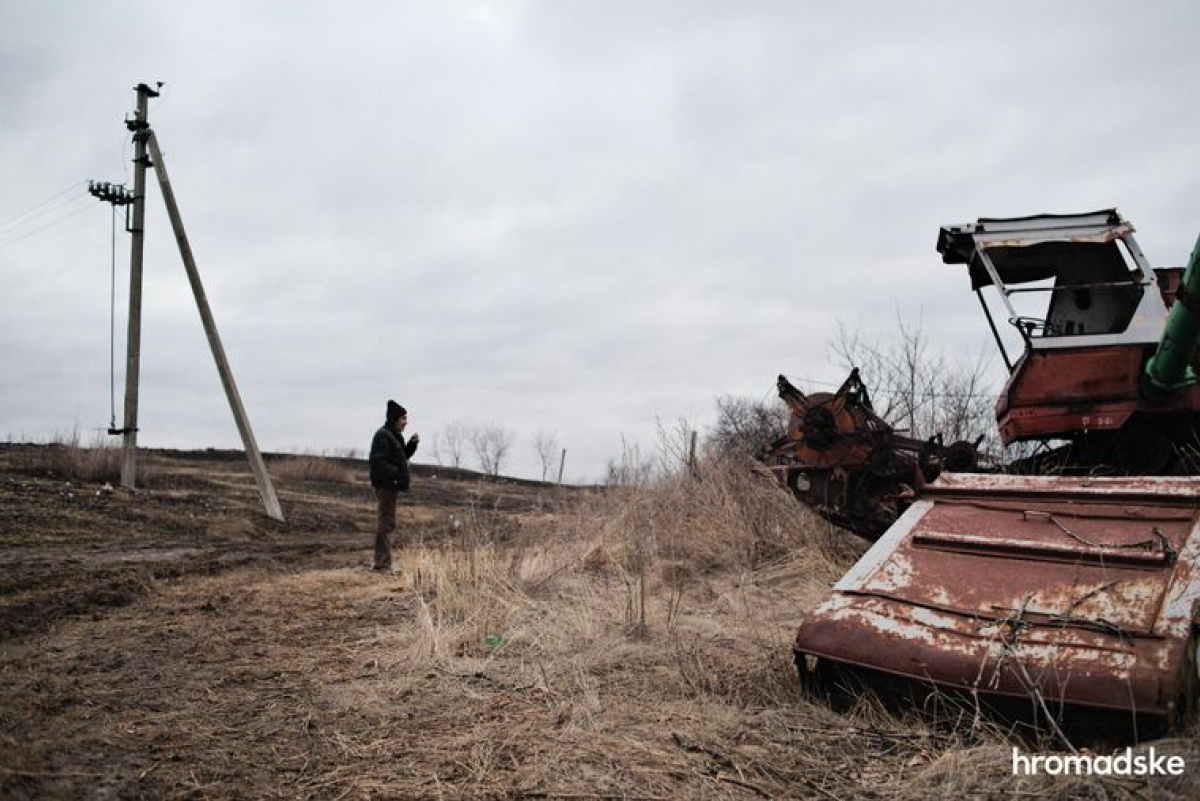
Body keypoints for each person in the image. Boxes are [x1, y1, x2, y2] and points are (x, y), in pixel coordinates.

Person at [369, 400, 419, 573]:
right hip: (386, 486)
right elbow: (378, 462)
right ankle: (382, 564)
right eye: (403, 418)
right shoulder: (383, 435)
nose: (406, 421)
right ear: (394, 419)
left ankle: (383, 563)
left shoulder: (393, 435)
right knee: (386, 524)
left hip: (391, 485)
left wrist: (411, 445)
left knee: (388, 523)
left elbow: (400, 457)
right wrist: (397, 475)